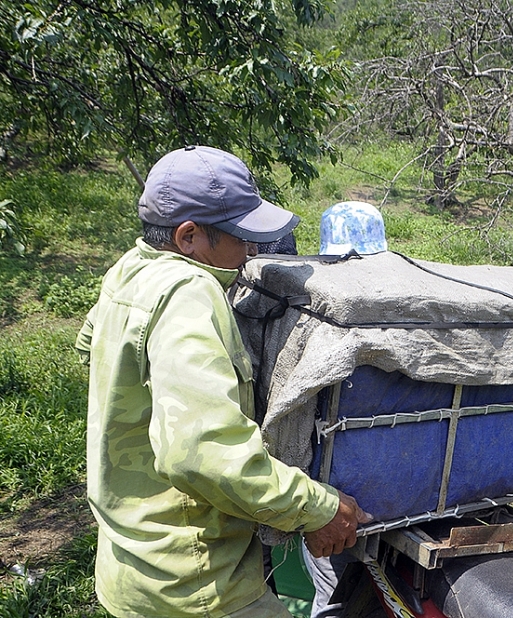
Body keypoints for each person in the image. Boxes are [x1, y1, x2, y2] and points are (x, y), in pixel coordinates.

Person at [75, 145, 371, 618]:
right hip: (196, 582)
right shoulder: (188, 293)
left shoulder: (129, 272)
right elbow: (205, 453)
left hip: (131, 565)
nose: (252, 252)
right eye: (241, 237)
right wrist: (318, 507)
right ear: (189, 236)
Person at [305, 200, 389, 618]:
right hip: (395, 485)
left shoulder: (312, 315)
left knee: (332, 593)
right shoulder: (400, 314)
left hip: (334, 495)